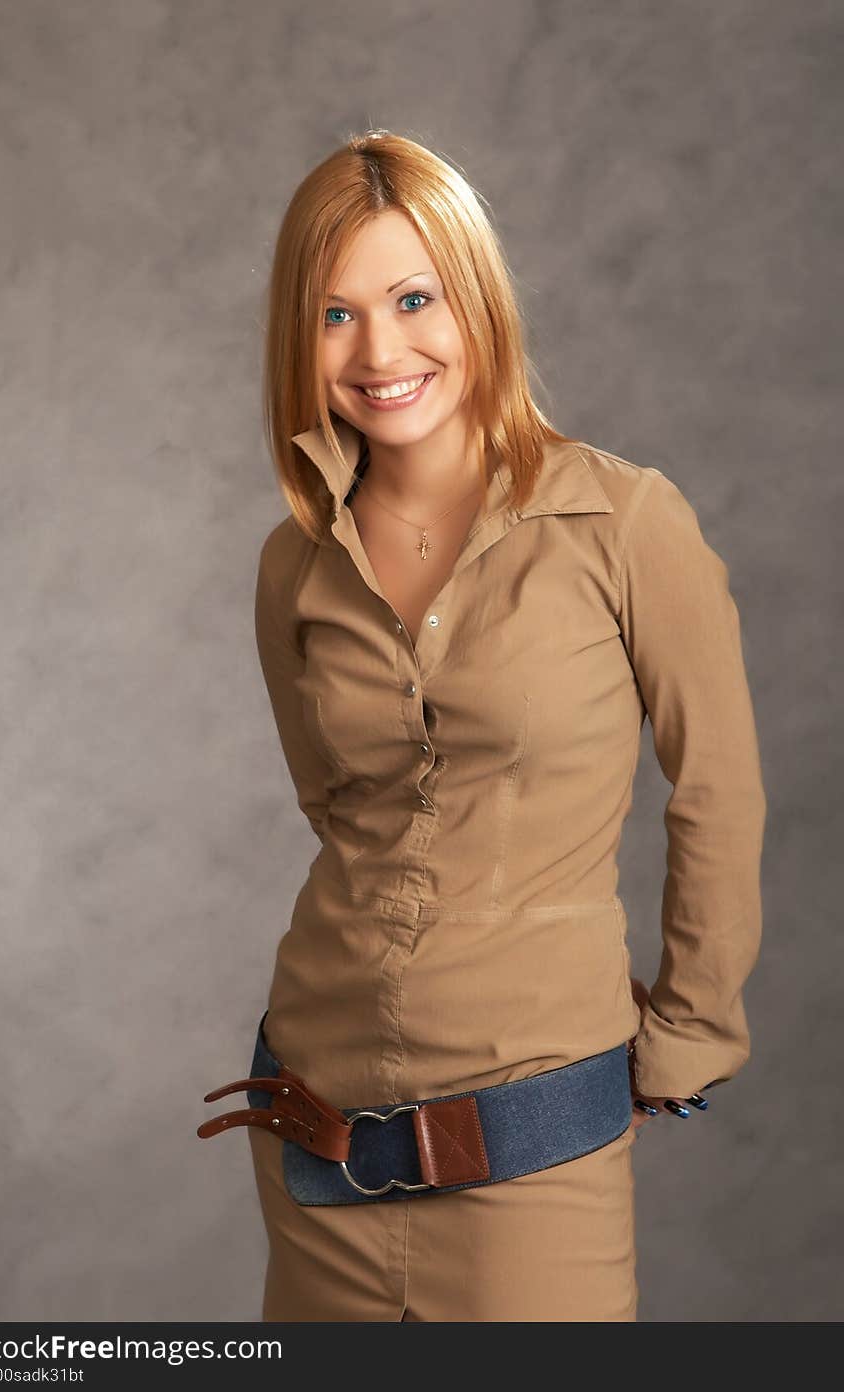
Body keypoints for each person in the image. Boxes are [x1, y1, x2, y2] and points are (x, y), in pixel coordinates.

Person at [229, 130, 766, 1321]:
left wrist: (685, 1032)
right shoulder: (293, 566)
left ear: (474, 297)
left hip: (532, 1138)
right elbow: (338, 810)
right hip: (313, 1128)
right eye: (335, 315)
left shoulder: (624, 524)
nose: (380, 351)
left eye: (413, 298)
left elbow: (717, 789)